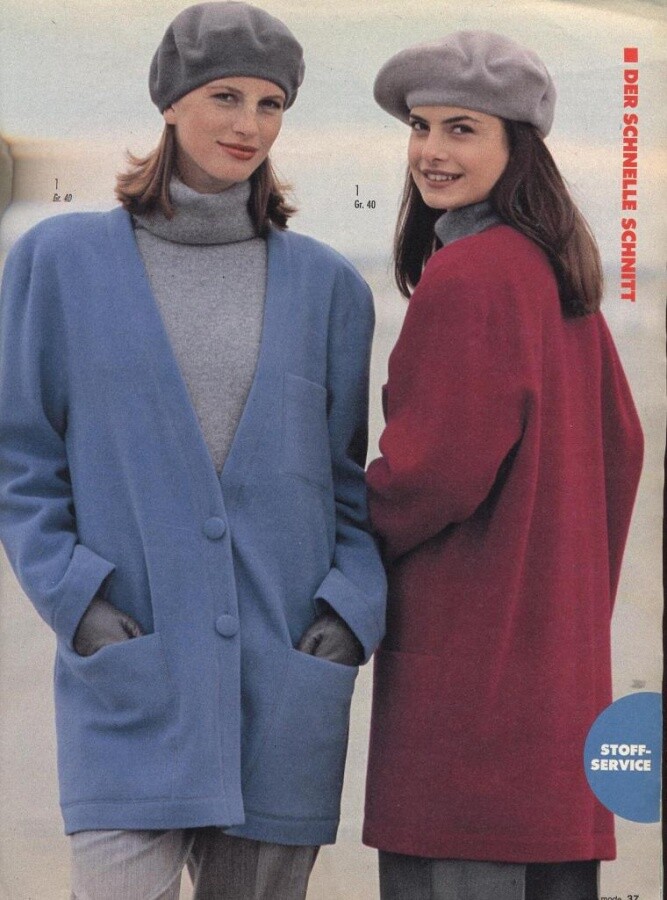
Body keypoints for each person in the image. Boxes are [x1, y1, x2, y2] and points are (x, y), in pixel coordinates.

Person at [0, 3, 386, 897]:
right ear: (170, 103)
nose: (248, 124)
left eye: (269, 104)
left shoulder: (329, 287)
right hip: (130, 679)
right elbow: (22, 461)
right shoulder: (59, 264)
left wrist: (348, 614)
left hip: (283, 686)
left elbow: (348, 488)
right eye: (224, 97)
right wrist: (76, 602)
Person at [362, 31, 643, 900]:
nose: (430, 151)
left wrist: (338, 529)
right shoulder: (558, 277)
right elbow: (623, 451)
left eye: (461, 129)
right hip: (557, 695)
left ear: (516, 146)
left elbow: (429, 476)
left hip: (467, 702)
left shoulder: (470, 276)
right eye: (420, 126)